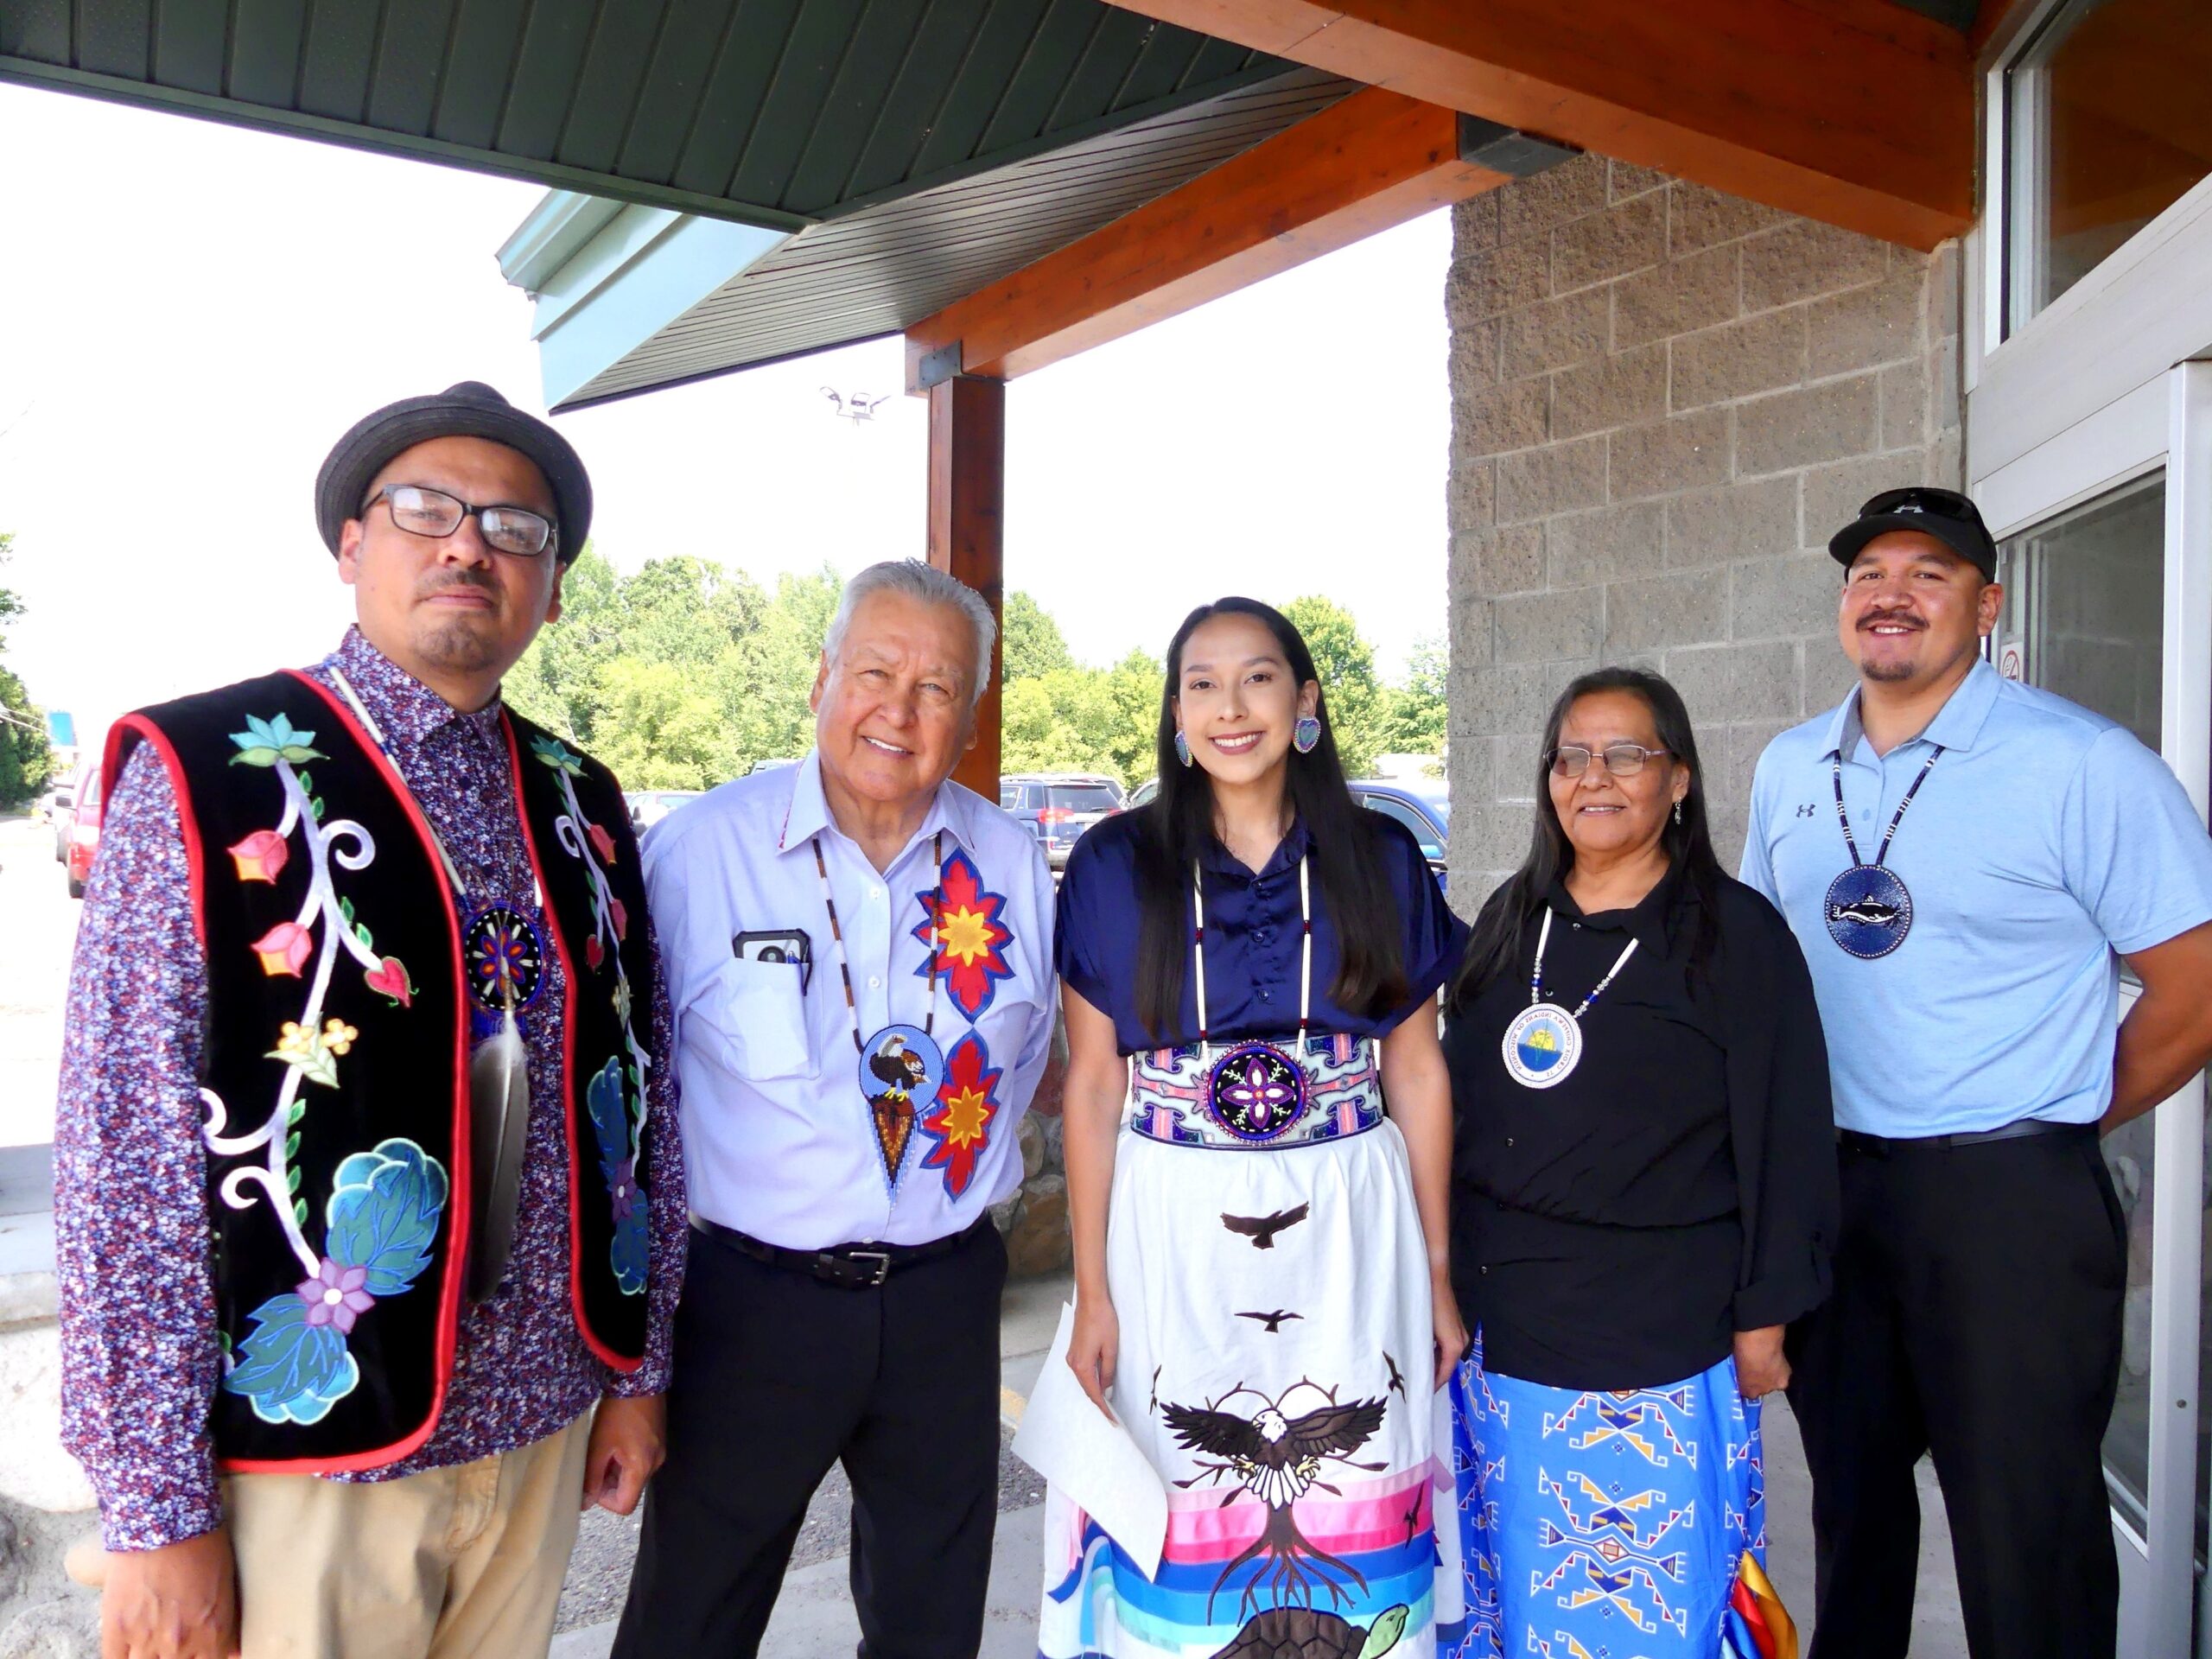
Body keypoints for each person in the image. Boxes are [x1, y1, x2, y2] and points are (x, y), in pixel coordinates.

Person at [54, 382, 685, 1659]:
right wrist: (154, 1509)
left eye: (516, 527)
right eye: (425, 509)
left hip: (543, 1427)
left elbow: (642, 1104)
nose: (468, 545)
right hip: (311, 1456)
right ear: (351, 546)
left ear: (552, 587)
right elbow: (123, 1165)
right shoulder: (205, 771)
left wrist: (639, 1372)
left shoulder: (583, 798)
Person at [1743, 486, 2212, 1659]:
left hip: (2009, 1201)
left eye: (1928, 574)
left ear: (1987, 605)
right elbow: (1762, 971)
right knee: (1850, 1510)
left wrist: (2057, 1114)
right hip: (1834, 1196)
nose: (1890, 596)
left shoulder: (2083, 765)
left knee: (2026, 1530)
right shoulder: (1792, 765)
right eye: (1868, 575)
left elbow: (2195, 990)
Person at [613, 559, 1057, 1659]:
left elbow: (1046, 1064)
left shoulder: (1011, 865)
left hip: (946, 1300)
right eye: (874, 671)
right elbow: (629, 1105)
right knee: (692, 1616)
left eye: (938, 686)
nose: (898, 710)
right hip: (749, 1304)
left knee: (929, 1618)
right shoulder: (700, 853)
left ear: (971, 710)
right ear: (819, 679)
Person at [1040, 597, 1468, 1659]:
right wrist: (1093, 1292)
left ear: (1305, 700)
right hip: (1172, 1221)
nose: (1230, 707)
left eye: (1258, 677)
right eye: (1201, 683)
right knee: (1181, 1477)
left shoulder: (1379, 853)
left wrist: (1438, 1267)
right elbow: (1092, 1087)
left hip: (1351, 1223)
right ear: (1176, 714)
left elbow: (1414, 1069)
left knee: (1355, 1460)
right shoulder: (1112, 863)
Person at [1440, 666, 1834, 1659]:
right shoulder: (1507, 921)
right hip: (1500, 1335)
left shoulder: (1736, 936)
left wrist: (1765, 1319)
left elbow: (1787, 1138)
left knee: (1648, 1604)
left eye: (1626, 754)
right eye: (1571, 756)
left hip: (1657, 1333)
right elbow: (1451, 1106)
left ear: (1680, 780)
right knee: (1512, 1593)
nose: (1594, 777)